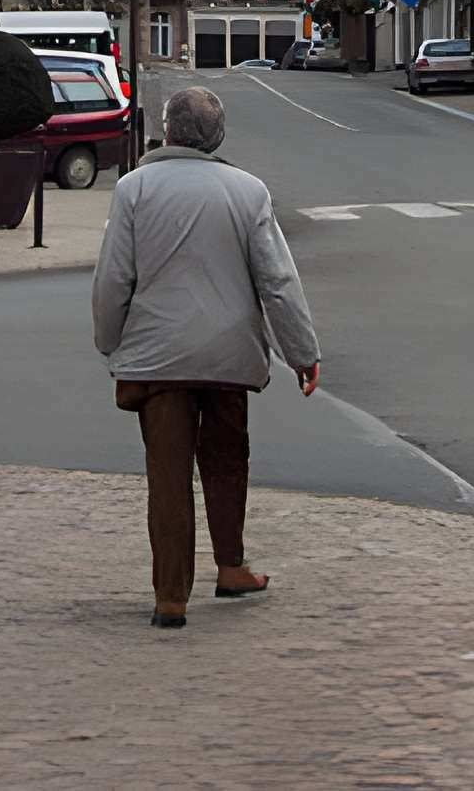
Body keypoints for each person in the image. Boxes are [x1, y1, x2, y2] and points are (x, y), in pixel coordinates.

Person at [90, 85, 320, 629]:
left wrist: (110, 342)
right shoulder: (248, 191)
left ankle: (171, 596)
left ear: (167, 130)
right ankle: (230, 565)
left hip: (157, 359)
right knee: (226, 460)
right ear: (217, 137)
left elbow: (113, 280)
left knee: (167, 475)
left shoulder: (133, 189)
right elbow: (278, 282)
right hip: (228, 355)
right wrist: (302, 352)